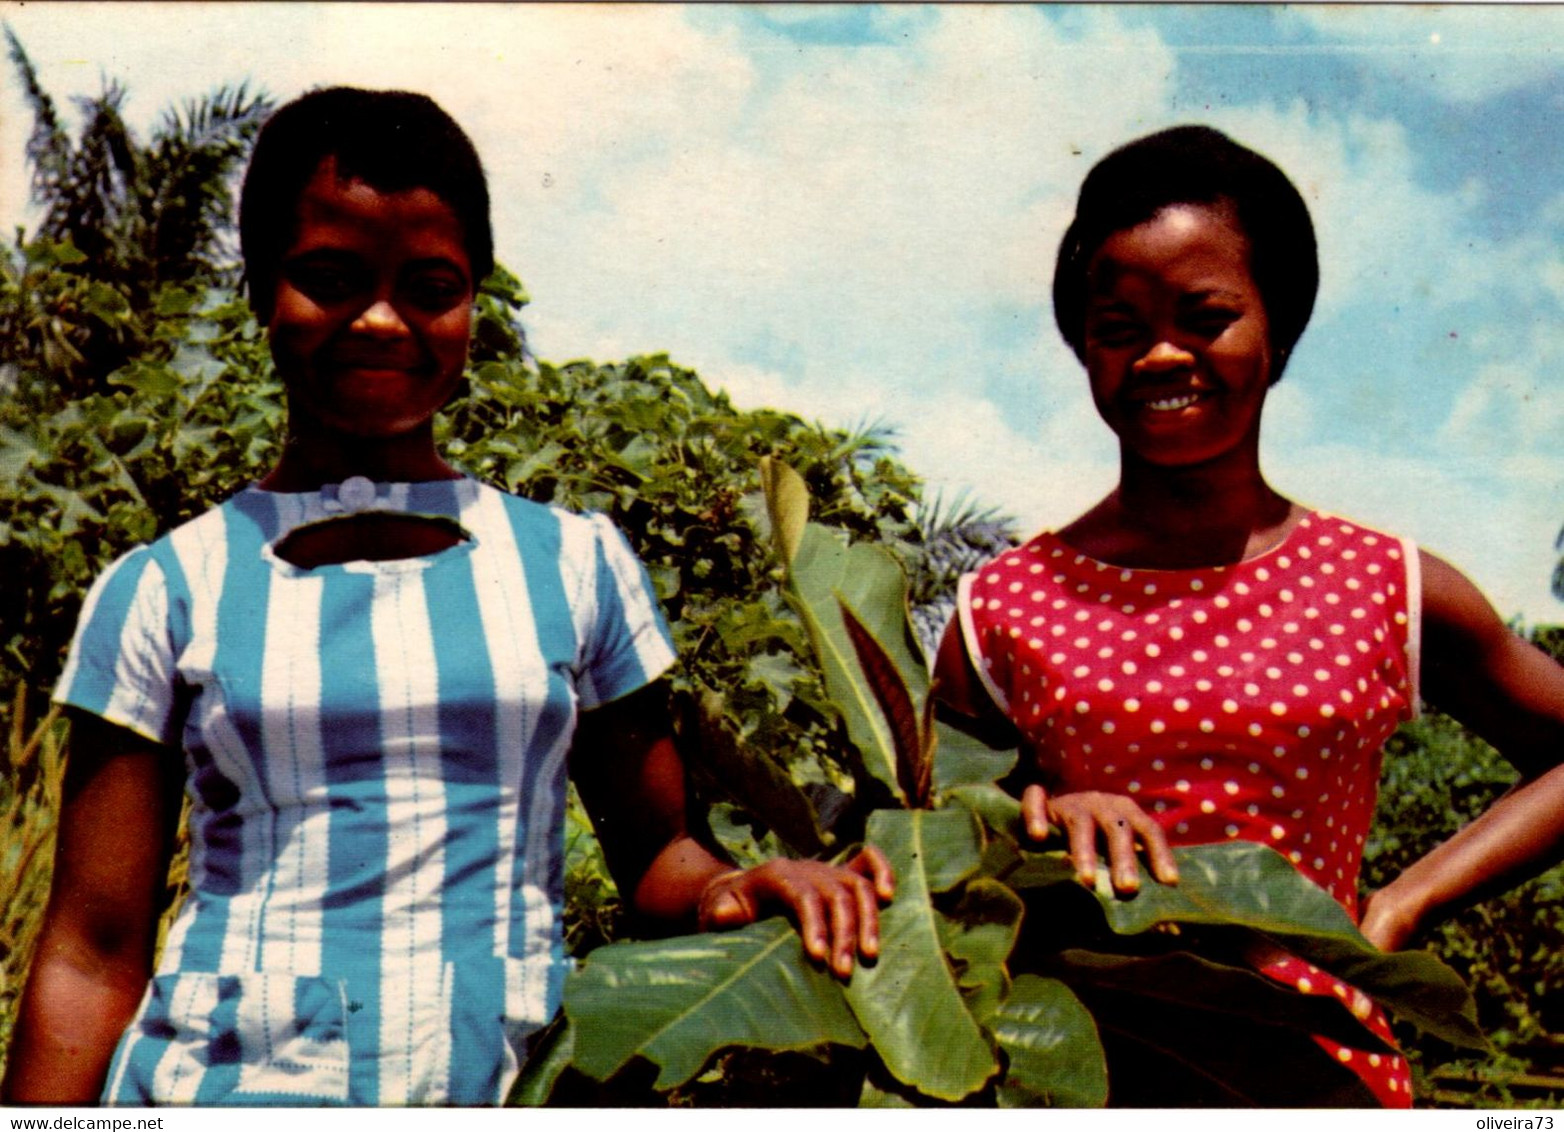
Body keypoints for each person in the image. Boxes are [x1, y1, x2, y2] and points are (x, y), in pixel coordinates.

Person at [2, 87, 892, 1107]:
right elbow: (90, 950)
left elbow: (658, 857)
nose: (381, 320)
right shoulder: (165, 587)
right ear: (260, 291)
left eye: (429, 285)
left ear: (475, 300)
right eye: (330, 278)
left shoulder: (574, 564)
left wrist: (739, 885)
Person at [934, 125, 1564, 1106]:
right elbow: (931, 833)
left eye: (1205, 315)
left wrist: (1398, 906)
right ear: (1080, 346)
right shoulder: (1003, 605)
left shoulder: (1384, 584)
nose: (1159, 354)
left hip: (1324, 1078)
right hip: (1073, 1081)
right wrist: (1046, 813)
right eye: (1118, 326)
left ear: (1279, 332)